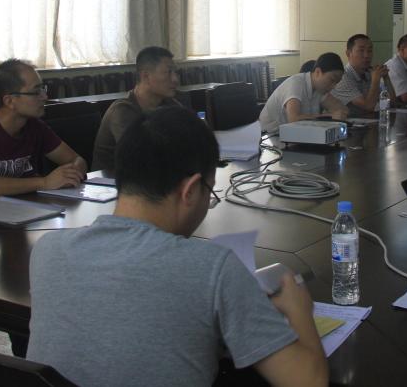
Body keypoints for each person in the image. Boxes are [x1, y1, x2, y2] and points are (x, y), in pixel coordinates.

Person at [28, 107, 328, 387]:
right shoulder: (212, 268)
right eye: (209, 191)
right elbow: (309, 382)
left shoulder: (47, 250)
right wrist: (298, 308)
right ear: (190, 190)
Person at [0, 59, 87, 203]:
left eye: (43, 89)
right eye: (36, 92)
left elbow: (77, 160)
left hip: (22, 209)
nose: (45, 97)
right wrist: (44, 182)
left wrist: (70, 174)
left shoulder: (35, 127)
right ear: (9, 101)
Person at [92, 46, 182, 174]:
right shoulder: (122, 111)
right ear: (146, 76)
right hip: (114, 181)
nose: (175, 79)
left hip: (157, 177)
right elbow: (141, 158)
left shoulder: (171, 105)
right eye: (168, 72)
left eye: (175, 72)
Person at [259, 52, 348, 134]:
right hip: (269, 136)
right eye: (332, 80)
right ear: (318, 72)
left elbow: (341, 110)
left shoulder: (320, 89)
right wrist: (330, 116)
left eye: (337, 82)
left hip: (293, 135)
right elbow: (294, 120)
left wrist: (340, 113)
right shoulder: (296, 83)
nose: (333, 86)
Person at [330, 34, 392, 116]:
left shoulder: (368, 73)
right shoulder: (343, 77)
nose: (366, 55)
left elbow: (392, 102)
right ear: (348, 53)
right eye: (361, 51)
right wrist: (376, 80)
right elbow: (368, 106)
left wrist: (386, 77)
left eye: (369, 51)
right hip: (344, 122)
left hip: (365, 120)